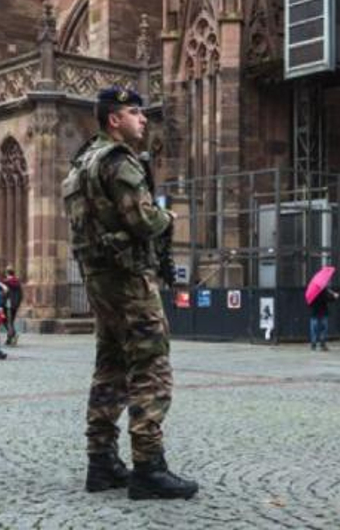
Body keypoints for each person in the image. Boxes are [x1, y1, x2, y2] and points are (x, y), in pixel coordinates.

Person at [62, 86, 198, 500]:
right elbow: (141, 221)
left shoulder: (82, 162)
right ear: (114, 119)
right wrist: (167, 215)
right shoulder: (119, 162)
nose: (143, 119)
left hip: (99, 279)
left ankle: (100, 462)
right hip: (128, 279)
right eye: (135, 113)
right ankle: (148, 466)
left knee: (110, 367)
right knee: (151, 367)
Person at [308, 287, 338, 351]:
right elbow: (328, 299)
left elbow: (309, 303)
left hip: (314, 312)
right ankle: (322, 343)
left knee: (314, 329)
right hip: (322, 312)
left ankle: (313, 344)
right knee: (323, 328)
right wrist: (335, 296)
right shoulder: (323, 291)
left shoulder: (312, 291)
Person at [1, 266, 23, 346]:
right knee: (11, 321)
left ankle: (13, 334)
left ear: (7, 273)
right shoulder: (18, 282)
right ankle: (9, 338)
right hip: (14, 305)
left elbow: (3, 294)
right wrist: (17, 303)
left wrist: (1, 302)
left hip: (6, 304)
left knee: (4, 320)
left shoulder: (4, 282)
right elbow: (21, 295)